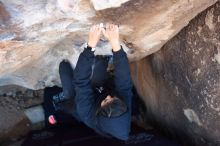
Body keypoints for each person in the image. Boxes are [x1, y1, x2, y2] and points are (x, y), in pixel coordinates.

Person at [47, 23, 133, 140]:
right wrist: (115, 44)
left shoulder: (86, 112)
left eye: (106, 100)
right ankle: (101, 63)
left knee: (64, 67)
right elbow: (124, 81)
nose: (109, 96)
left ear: (100, 110)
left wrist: (91, 45)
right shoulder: (124, 108)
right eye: (113, 98)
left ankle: (61, 103)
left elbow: (81, 82)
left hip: (77, 101)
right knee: (100, 62)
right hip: (99, 90)